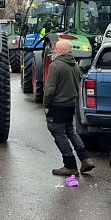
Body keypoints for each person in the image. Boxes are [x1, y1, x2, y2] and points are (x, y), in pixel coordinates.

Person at [43, 39, 95, 176]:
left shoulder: (56, 65)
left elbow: (50, 88)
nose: (53, 51)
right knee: (70, 131)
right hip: (70, 104)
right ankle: (86, 159)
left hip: (57, 105)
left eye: (55, 49)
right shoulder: (75, 66)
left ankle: (70, 165)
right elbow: (78, 83)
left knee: (58, 133)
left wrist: (46, 104)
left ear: (60, 51)